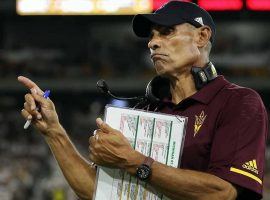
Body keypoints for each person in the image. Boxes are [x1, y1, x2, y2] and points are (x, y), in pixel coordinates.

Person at [19, 1, 268, 200]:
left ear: (202, 37)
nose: (152, 42)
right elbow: (97, 192)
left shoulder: (239, 102)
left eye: (167, 32)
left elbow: (223, 193)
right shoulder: (147, 109)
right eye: (151, 36)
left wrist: (134, 161)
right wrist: (53, 131)